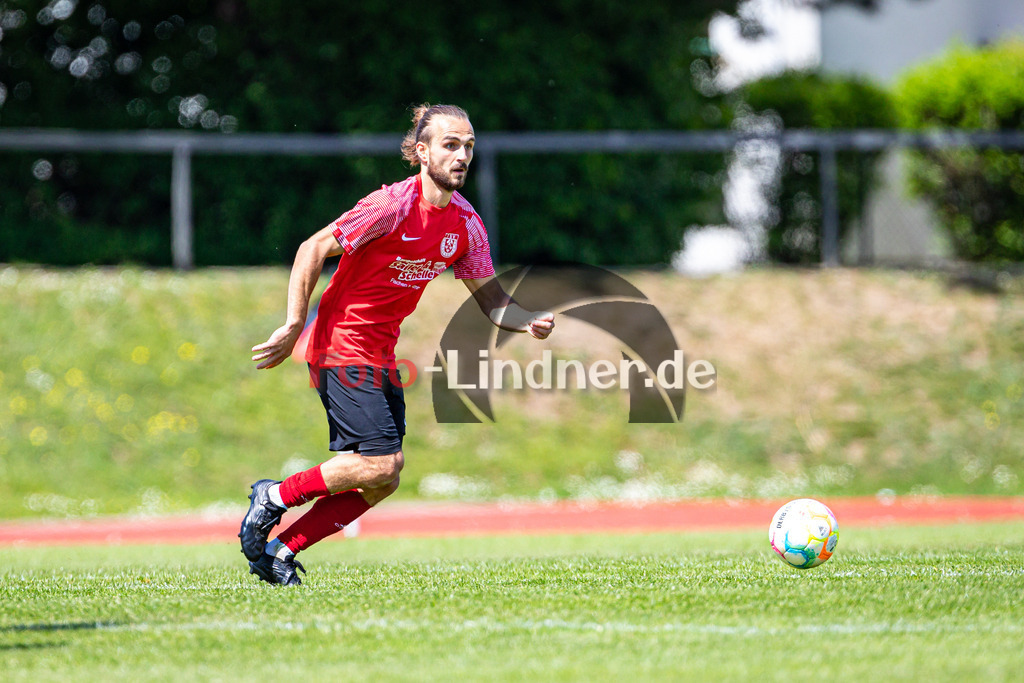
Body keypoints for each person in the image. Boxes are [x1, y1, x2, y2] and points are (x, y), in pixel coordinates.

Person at [239, 103, 555, 586]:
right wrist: (293, 322)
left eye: (469, 146)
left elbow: (493, 301)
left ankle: (281, 550)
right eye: (451, 145)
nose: (462, 156)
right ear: (422, 152)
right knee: (381, 462)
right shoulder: (391, 206)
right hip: (341, 343)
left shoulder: (466, 225)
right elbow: (313, 247)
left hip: (381, 353)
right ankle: (275, 497)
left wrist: (527, 319)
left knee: (383, 479)